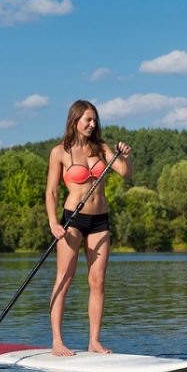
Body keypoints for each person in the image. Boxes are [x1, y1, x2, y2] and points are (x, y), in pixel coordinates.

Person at [45, 99, 132, 356]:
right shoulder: (59, 152)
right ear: (75, 121)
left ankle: (94, 341)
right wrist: (53, 221)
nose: (93, 124)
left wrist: (126, 156)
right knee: (64, 279)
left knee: (98, 281)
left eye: (95, 120)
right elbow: (51, 191)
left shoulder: (102, 147)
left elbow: (124, 173)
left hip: (100, 221)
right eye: (88, 120)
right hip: (72, 221)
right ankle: (57, 341)